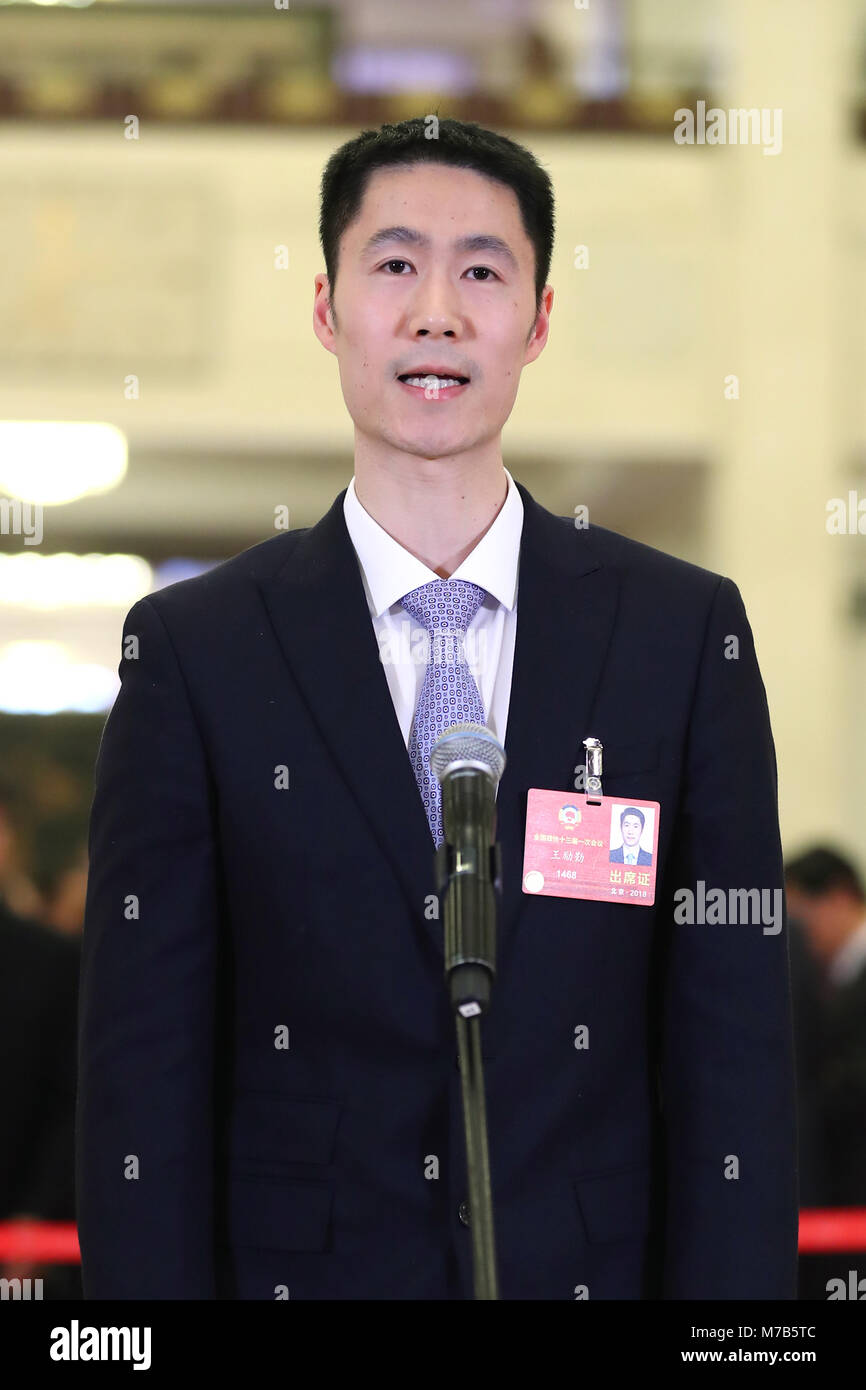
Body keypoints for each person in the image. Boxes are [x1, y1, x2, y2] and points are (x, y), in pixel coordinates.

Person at [77, 116, 798, 1301]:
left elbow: (733, 1061)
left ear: (537, 320)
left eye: (481, 270)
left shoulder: (678, 638)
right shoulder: (197, 654)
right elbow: (142, 1078)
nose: (436, 312)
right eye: (395, 263)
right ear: (327, 308)